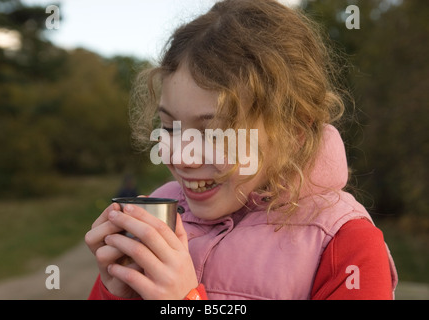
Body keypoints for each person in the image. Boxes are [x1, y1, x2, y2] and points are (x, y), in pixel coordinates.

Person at [85, 0, 397, 300]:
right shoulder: (164, 214)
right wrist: (115, 292)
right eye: (170, 128)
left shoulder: (344, 244)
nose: (181, 157)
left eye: (216, 134)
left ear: (294, 133)